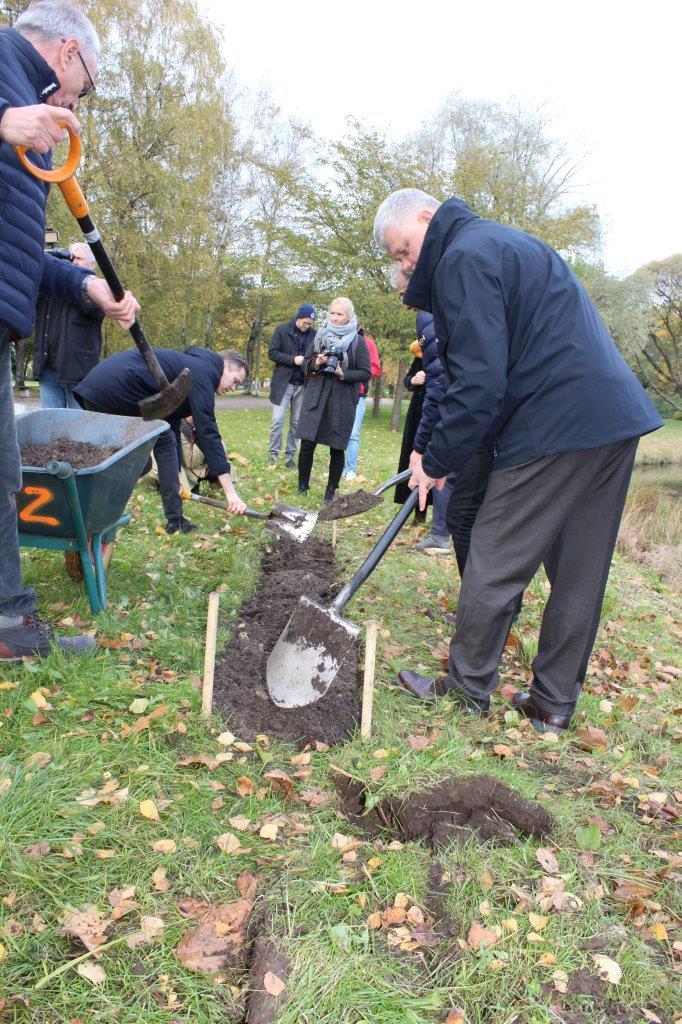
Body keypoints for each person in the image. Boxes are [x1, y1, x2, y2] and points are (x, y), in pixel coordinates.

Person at [374, 188, 662, 732]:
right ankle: (552, 703)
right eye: (399, 259)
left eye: (403, 250)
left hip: (555, 422)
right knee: (580, 571)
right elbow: (494, 367)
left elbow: (479, 384)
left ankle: (466, 688)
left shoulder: (463, 256)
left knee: (494, 554)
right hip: (611, 419)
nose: (407, 265)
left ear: (426, 217)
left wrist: (434, 462)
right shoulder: (505, 243)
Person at [0, 1, 141, 662]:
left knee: (3, 475)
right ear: (67, 53)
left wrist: (86, 286)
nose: (84, 95)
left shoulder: (31, 112)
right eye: (89, 79)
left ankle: (9, 623)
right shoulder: (4, 73)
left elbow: (22, 249)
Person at [75, 347, 249, 533]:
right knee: (133, 462)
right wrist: (231, 494)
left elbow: (170, 428)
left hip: (102, 389)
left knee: (158, 448)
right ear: (224, 366)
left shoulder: (191, 367)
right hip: (115, 389)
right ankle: (89, 504)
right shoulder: (205, 371)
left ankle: (175, 521)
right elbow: (208, 431)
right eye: (235, 380)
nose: (233, 388)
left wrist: (174, 478)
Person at [296, 297, 371, 503]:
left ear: (349, 316)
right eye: (332, 313)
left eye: (340, 314)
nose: (335, 318)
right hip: (316, 396)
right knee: (307, 442)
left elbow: (366, 373)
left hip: (342, 399)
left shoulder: (357, 342)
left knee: (337, 447)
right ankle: (302, 486)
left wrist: (342, 373)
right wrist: (316, 362)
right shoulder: (320, 335)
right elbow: (305, 365)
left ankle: (331, 491)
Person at [33, 242, 104, 408]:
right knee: (51, 425)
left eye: (79, 258)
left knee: (78, 426)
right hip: (48, 366)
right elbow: (31, 301)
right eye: (70, 257)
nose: (74, 262)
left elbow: (93, 308)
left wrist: (77, 282)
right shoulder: (52, 288)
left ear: (92, 264)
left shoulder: (98, 290)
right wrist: (50, 265)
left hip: (79, 371)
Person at [267, 304, 316, 468]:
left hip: (303, 385)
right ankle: (273, 455)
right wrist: (292, 359)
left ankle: (290, 457)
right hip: (284, 384)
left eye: (310, 324)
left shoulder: (314, 335)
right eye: (305, 322)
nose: (307, 326)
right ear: (299, 317)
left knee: (296, 423)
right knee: (277, 421)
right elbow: (272, 353)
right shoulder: (282, 330)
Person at [342, 326, 381, 481]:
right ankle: (338, 469)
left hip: (358, 393)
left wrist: (355, 371)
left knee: (353, 433)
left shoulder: (367, 343)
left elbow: (375, 369)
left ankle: (350, 468)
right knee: (339, 431)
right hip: (339, 392)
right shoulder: (336, 340)